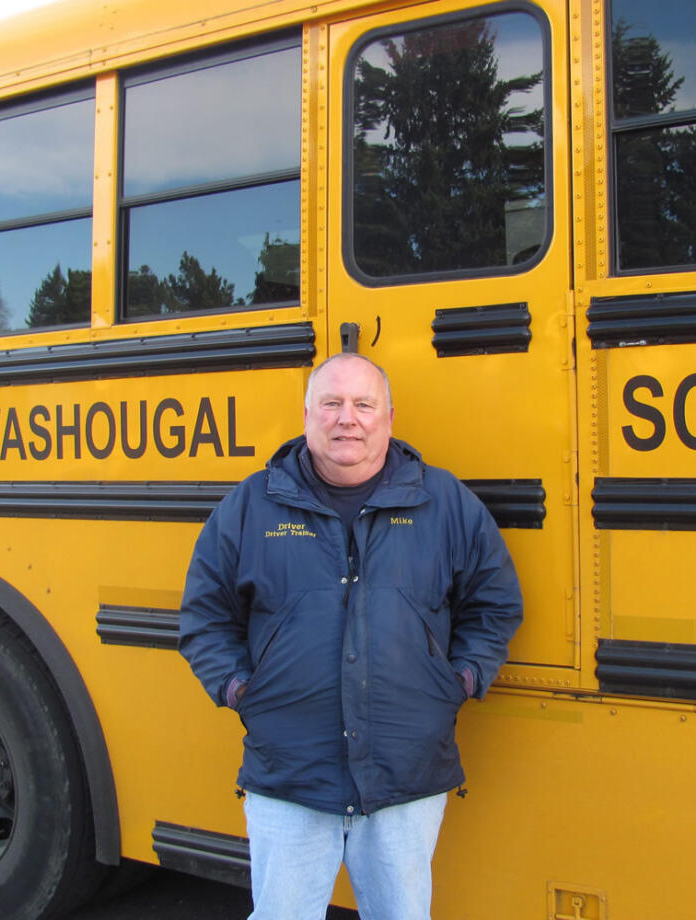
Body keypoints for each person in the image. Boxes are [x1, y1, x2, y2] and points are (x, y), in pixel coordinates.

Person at [179, 352, 523, 920]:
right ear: (307, 415)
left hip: (404, 773)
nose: (348, 419)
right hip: (289, 772)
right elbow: (204, 614)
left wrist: (456, 680)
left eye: (363, 404)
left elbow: (495, 602)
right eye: (331, 404)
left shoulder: (444, 503)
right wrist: (243, 689)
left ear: (389, 416)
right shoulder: (251, 505)